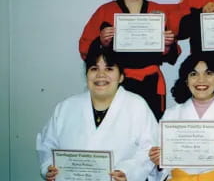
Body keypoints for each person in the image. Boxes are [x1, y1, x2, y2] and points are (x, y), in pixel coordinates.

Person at [36, 45, 157, 181]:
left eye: (109, 69)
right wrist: (48, 167)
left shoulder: (137, 106)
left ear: (121, 76)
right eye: (94, 69)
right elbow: (47, 144)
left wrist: (128, 172)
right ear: (87, 75)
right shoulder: (66, 107)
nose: (100, 75)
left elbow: (150, 150)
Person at [79, 0, 179, 120]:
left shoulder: (158, 11)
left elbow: (173, 54)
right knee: (115, 128)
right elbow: (84, 48)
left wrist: (168, 46)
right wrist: (101, 43)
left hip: (150, 82)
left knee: (150, 131)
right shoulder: (105, 11)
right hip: (115, 82)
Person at [148, 53, 214, 181]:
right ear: (186, 80)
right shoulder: (171, 114)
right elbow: (161, 168)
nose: (201, 80)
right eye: (194, 74)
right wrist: (158, 163)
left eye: (208, 73)